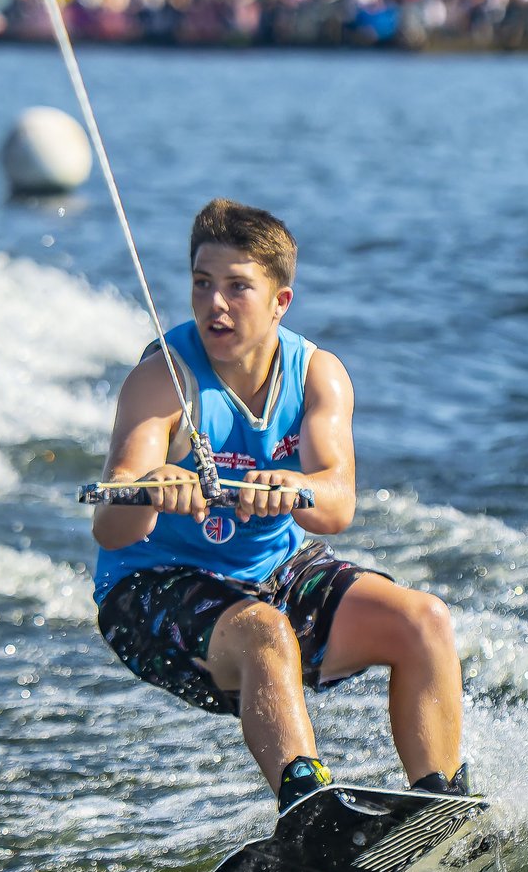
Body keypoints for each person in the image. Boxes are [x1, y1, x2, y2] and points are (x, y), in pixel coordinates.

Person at [91, 198, 467, 814]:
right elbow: (111, 525)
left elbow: (336, 505)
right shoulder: (163, 380)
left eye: (238, 288)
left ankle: (443, 812)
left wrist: (296, 488)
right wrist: (154, 487)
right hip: (150, 591)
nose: (215, 304)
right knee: (267, 631)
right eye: (202, 284)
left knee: (423, 620)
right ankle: (310, 812)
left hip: (272, 571)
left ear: (280, 301)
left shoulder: (320, 374)